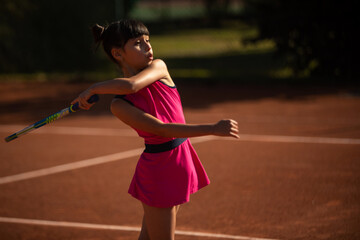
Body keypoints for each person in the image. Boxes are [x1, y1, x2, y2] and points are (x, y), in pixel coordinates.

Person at [72, 19, 239, 240]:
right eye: (138, 43)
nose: (148, 46)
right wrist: (212, 128)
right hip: (159, 169)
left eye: (147, 40)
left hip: (180, 157)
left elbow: (133, 85)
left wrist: (94, 88)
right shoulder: (119, 105)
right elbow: (160, 128)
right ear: (118, 53)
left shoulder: (158, 67)